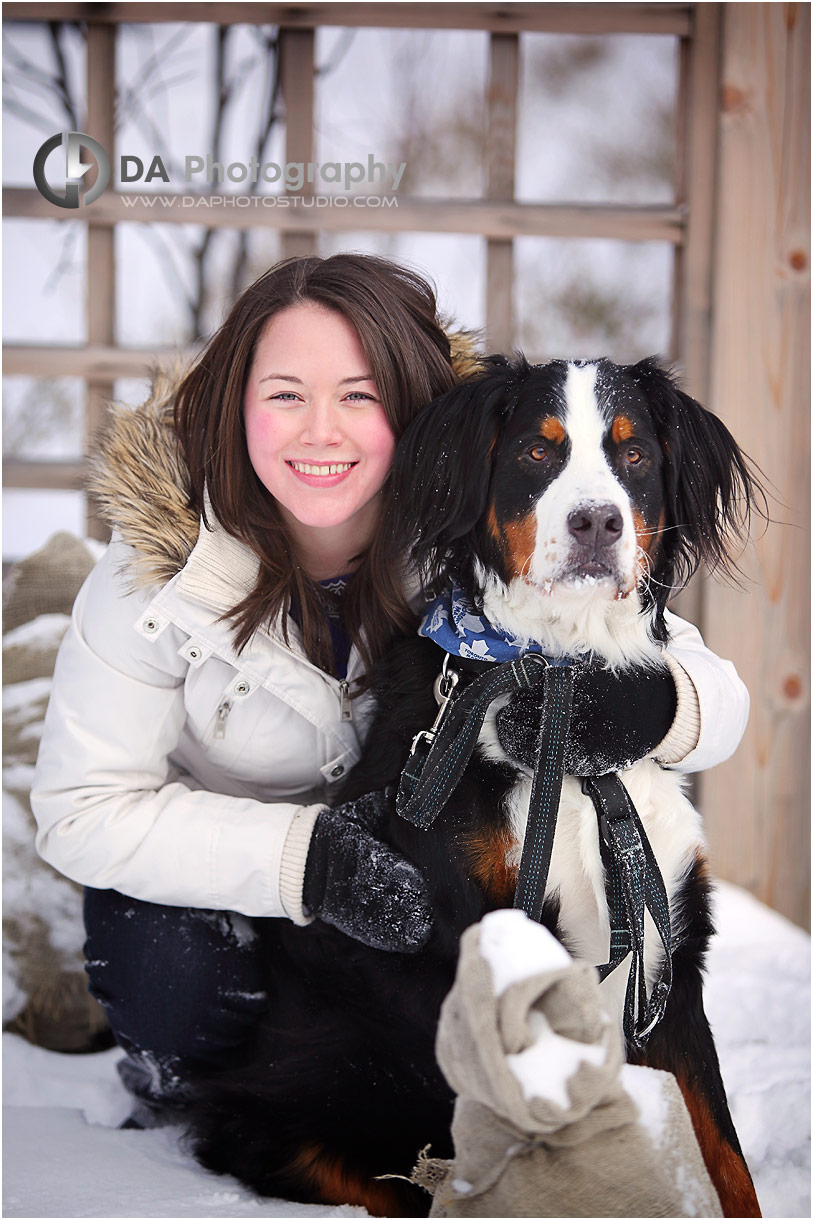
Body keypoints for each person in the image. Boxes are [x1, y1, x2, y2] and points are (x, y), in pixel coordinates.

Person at [31, 252, 749, 1127]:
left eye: (358, 395)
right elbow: (79, 810)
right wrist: (310, 861)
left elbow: (698, 677)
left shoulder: (468, 527)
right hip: (217, 878)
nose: (320, 432)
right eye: (285, 393)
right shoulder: (151, 577)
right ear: (235, 406)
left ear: (405, 411)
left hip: (414, 893)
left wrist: (661, 707)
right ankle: (182, 1087)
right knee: (179, 983)